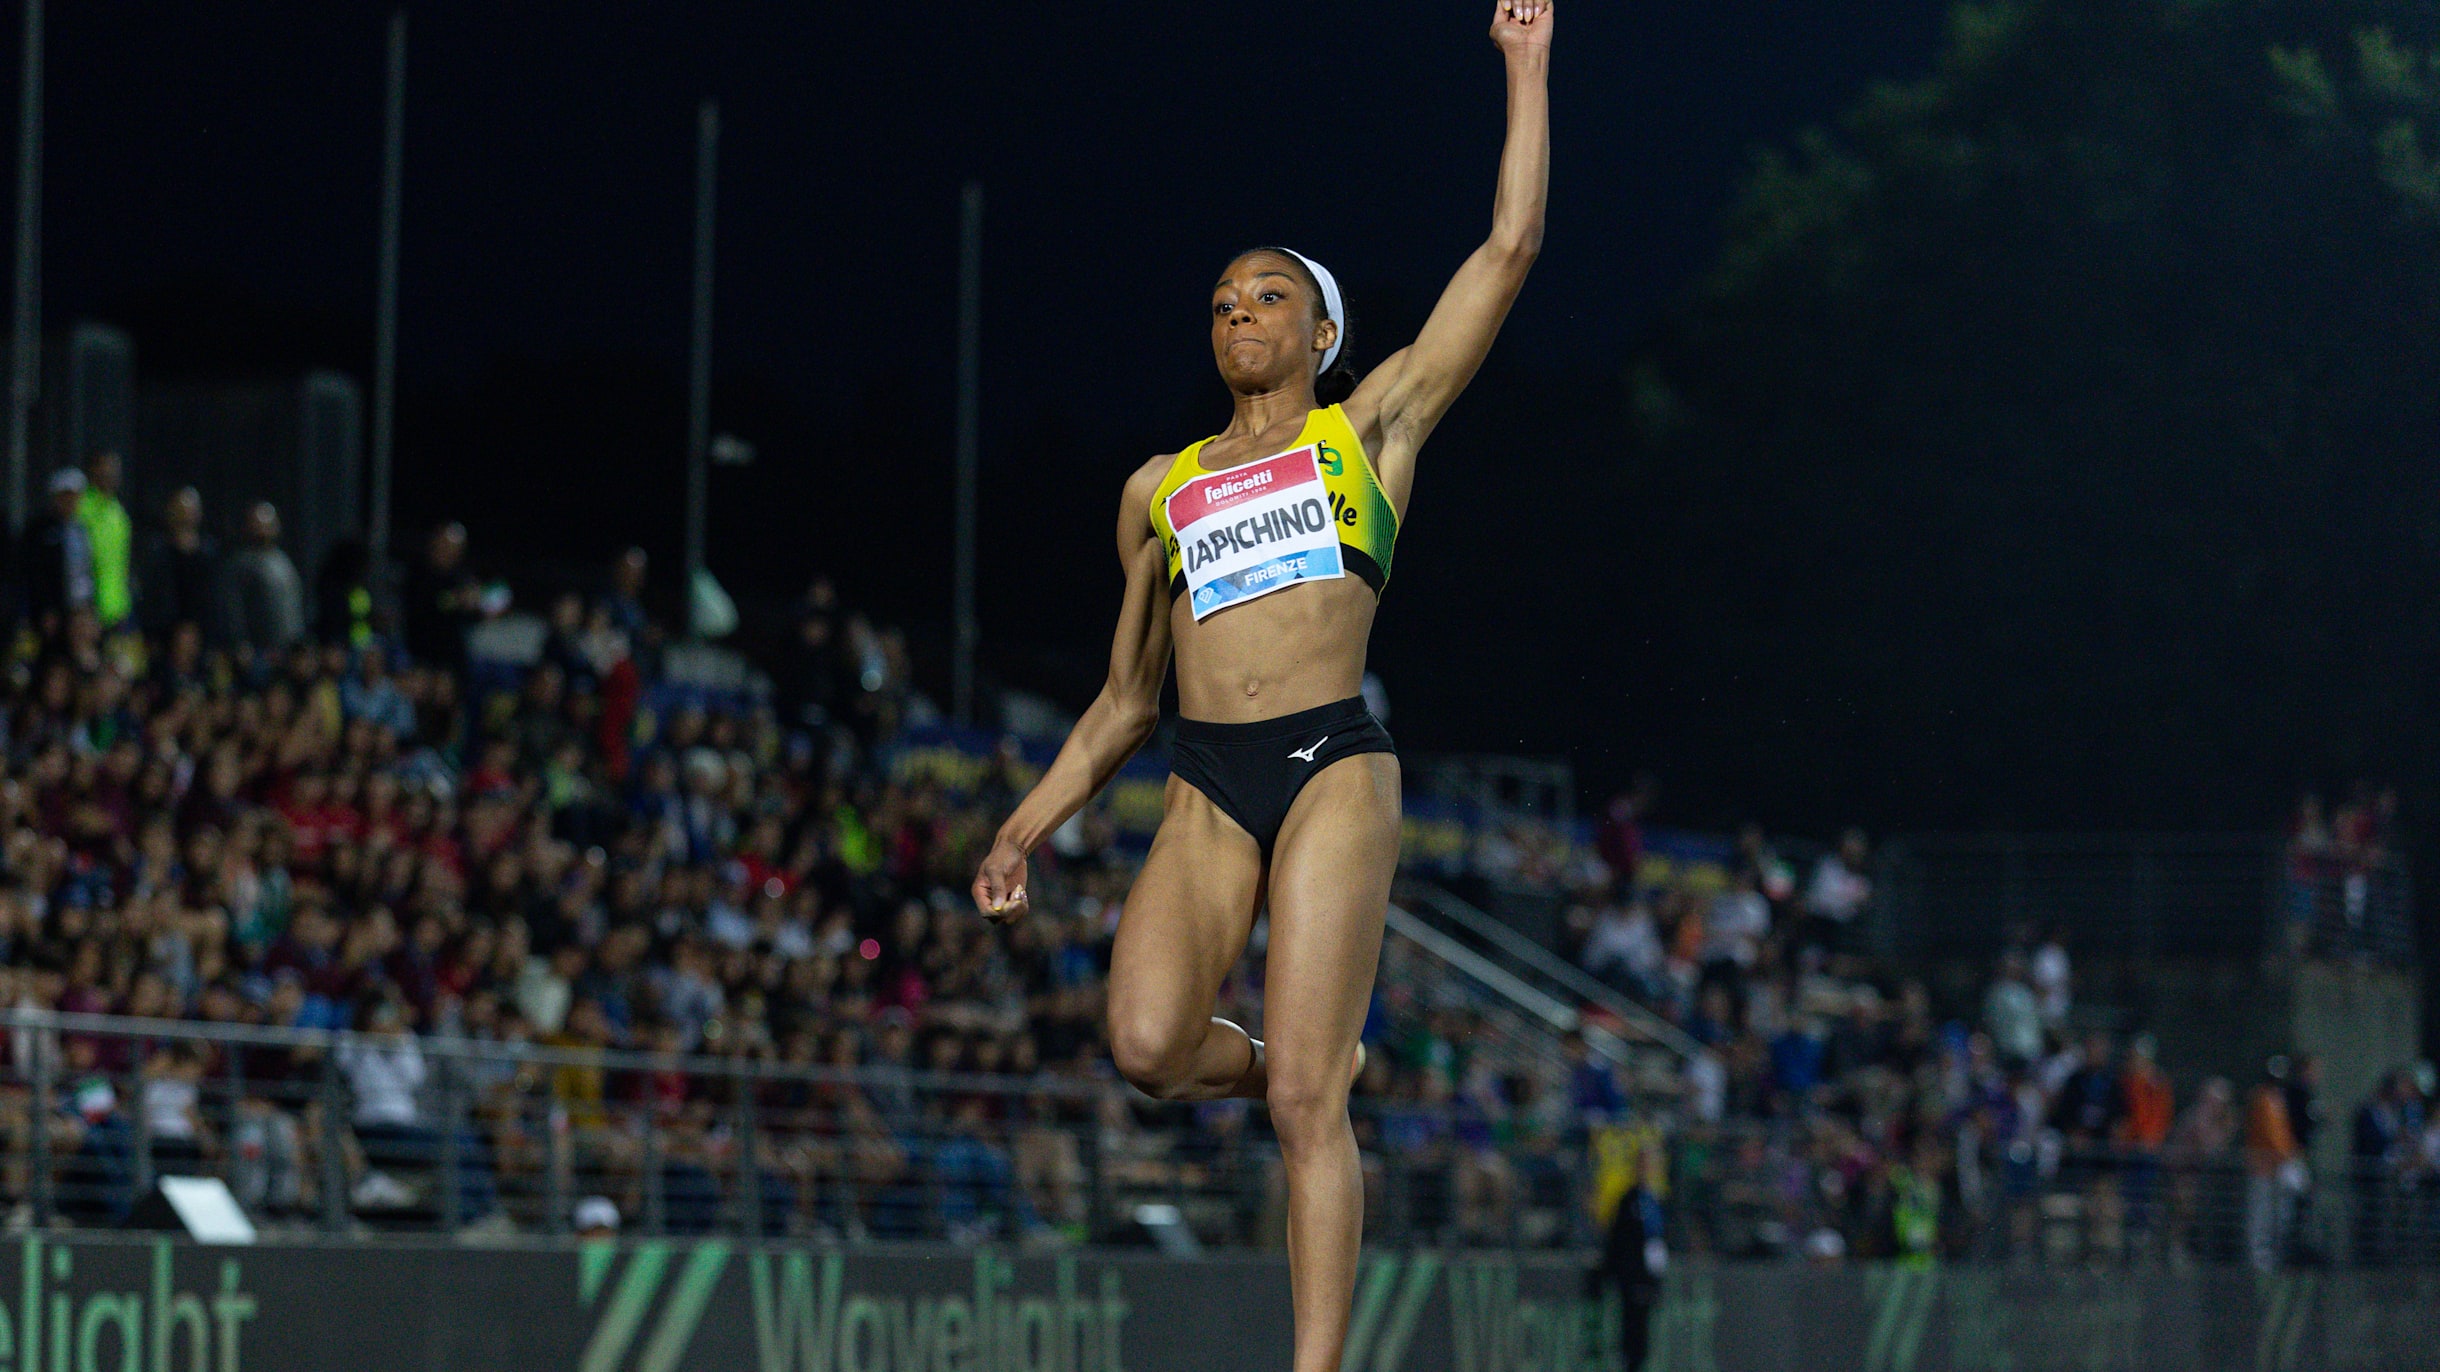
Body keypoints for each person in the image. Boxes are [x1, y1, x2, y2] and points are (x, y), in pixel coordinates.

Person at [972, 6, 1552, 1367]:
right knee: (1146, 1043)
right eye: (1223, 299)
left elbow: (1510, 251)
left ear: (1324, 331)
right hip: (1202, 773)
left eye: (1267, 294)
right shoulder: (1157, 491)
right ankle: (1310, 1065)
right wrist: (1021, 826)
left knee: (1301, 1105)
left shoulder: (1375, 429)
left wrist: (1523, 66)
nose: (1238, 311)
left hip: (1332, 762)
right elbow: (1124, 699)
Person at [220, 502, 306, 659]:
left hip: (289, 648)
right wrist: (240, 642)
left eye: (268, 524)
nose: (263, 530)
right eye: (258, 524)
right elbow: (234, 607)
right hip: (260, 650)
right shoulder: (241, 563)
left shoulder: (282, 560)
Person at [76, 451, 134, 632]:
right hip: (84, 610)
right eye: (103, 466)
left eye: (113, 468)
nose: (109, 472)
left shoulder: (120, 516)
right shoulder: (80, 508)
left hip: (117, 611)